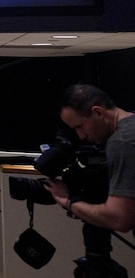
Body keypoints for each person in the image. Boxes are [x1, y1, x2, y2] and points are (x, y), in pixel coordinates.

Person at [46, 83, 135, 233]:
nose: (81, 136)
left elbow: (119, 219)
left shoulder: (121, 142)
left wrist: (67, 201)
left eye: (79, 127)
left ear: (98, 112)